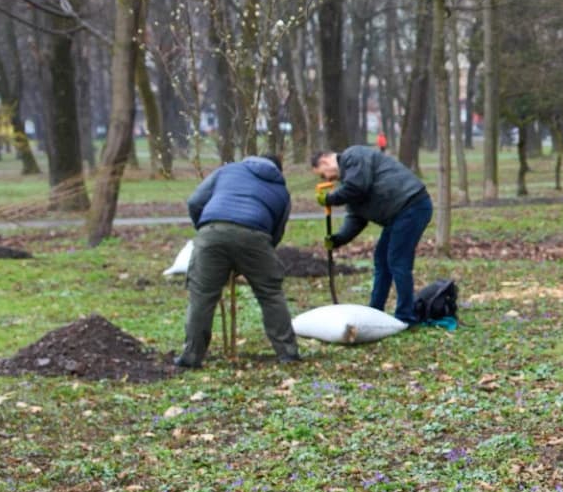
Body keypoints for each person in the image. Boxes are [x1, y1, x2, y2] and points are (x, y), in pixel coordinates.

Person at [177, 154, 300, 368]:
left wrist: (205, 227)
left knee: (202, 296)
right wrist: (257, 255)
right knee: (270, 295)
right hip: (256, 235)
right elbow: (277, 231)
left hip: (212, 231)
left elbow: (195, 201)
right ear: (278, 171)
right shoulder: (281, 191)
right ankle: (288, 353)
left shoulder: (228, 170)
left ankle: (191, 356)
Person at [311, 146, 433, 324]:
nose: (327, 179)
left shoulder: (353, 156)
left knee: (397, 261)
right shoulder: (349, 179)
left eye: (323, 174)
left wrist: (331, 199)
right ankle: (375, 311)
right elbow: (356, 218)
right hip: (397, 215)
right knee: (382, 260)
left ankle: (406, 316)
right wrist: (338, 239)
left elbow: (357, 187)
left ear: (324, 161)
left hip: (412, 205)